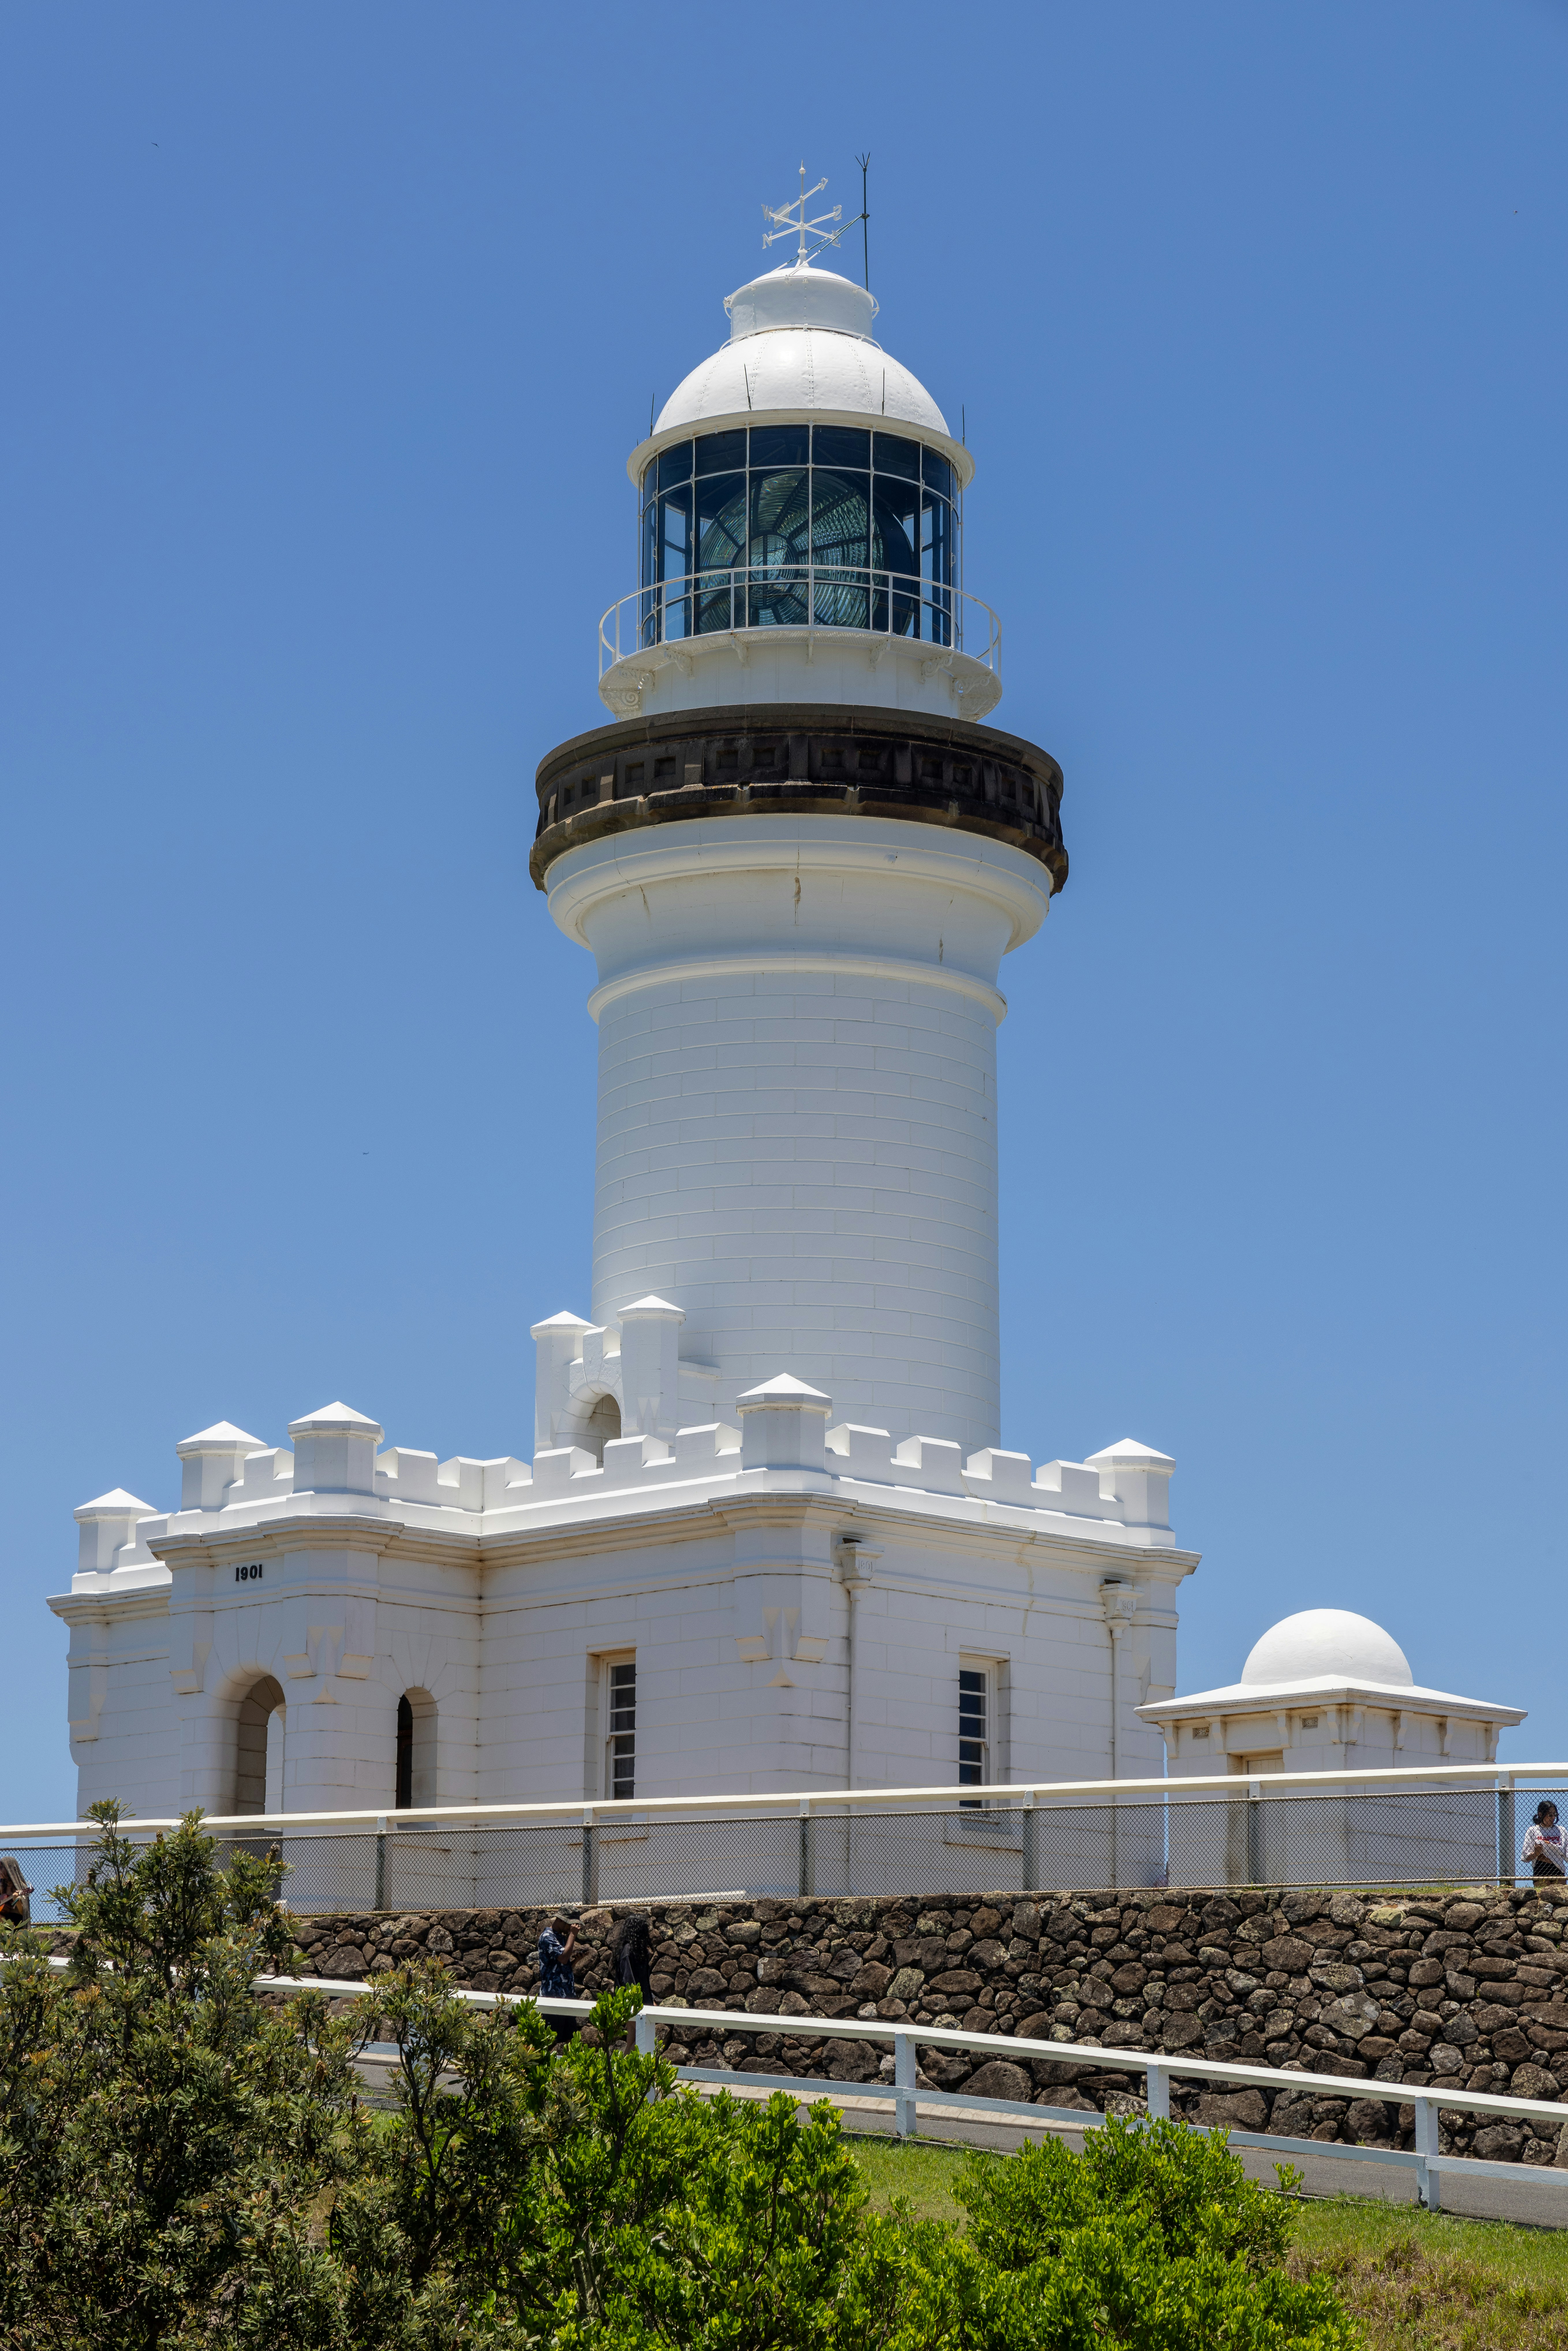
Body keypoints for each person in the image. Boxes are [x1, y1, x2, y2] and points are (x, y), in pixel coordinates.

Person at [612, 1910, 653, 2049]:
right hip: (634, 2005)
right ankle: (630, 2069)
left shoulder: (637, 1950)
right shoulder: (629, 1950)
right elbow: (629, 1980)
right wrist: (640, 2004)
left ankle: (625, 2069)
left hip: (638, 2004)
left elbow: (644, 1981)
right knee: (643, 2038)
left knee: (633, 2040)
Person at [537, 1913, 578, 2041]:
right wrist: (572, 1935)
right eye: (571, 1924)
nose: (573, 1927)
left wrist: (575, 1961)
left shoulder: (560, 1938)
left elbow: (561, 1965)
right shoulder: (547, 1937)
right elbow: (564, 1958)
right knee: (550, 2041)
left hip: (567, 1997)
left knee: (571, 2040)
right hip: (553, 1998)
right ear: (561, 1920)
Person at [1522, 1799, 1568, 1882]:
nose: (1554, 1817)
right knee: (1543, 1893)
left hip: (1558, 1868)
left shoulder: (1561, 1831)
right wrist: (1537, 1853)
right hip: (1541, 1868)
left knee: (1562, 1893)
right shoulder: (1533, 1831)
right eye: (1550, 1815)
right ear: (1541, 1814)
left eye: (1555, 1814)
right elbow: (1526, 1857)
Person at [0, 1857, 32, 1928]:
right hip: (4, 1919)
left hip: (17, 1922)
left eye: (1, 1868)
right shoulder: (2, 1886)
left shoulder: (22, 1887)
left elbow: (23, 1913)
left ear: (9, 1869)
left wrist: (17, 1900)